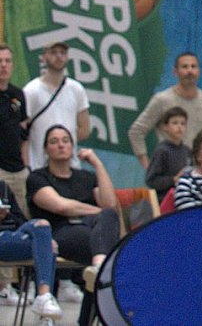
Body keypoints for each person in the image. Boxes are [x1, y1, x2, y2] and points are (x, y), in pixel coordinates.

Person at [27, 126, 118, 296]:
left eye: (65, 140)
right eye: (54, 141)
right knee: (106, 242)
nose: (61, 145)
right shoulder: (37, 178)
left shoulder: (86, 177)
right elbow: (61, 206)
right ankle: (101, 268)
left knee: (109, 217)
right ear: (45, 149)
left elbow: (110, 204)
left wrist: (97, 164)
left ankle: (99, 267)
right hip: (59, 233)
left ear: (73, 146)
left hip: (91, 232)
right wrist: (98, 211)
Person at [127, 51, 202, 171]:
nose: (189, 71)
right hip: (170, 172)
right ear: (175, 72)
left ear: (199, 71)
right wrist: (149, 167)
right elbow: (136, 131)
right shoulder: (162, 100)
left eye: (193, 66)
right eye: (184, 67)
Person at [22, 37, 89, 166]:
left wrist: (63, 145)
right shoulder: (31, 91)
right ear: (43, 57)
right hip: (39, 166)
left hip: (70, 166)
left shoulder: (76, 89)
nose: (58, 56)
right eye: (53, 52)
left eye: (63, 53)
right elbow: (22, 131)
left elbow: (84, 129)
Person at [0, 179, 61, 320]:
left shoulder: (2, 187)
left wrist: (6, 215)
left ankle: (44, 298)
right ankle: (46, 317)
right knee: (47, 246)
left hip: (12, 236)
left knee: (42, 226)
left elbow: (20, 220)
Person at [0, 44, 26, 214]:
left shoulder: (18, 94)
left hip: (19, 170)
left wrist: (26, 166)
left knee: (22, 217)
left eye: (7, 61)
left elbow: (24, 132)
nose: (3, 65)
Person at [143, 107, 190, 196]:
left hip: (184, 197)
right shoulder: (162, 151)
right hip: (164, 199)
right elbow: (151, 180)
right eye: (175, 123)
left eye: (183, 123)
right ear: (165, 127)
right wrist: (173, 179)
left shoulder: (187, 151)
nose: (179, 127)